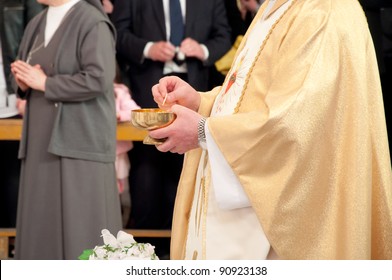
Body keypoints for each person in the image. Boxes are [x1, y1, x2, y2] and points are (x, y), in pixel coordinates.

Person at [150, 0, 392, 259]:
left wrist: (202, 131)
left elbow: (295, 124)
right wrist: (202, 102)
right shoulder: (275, 7)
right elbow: (253, 93)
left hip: (286, 227)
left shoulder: (325, 11)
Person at [110, 0, 231, 258]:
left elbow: (224, 36)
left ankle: (180, 256)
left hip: (197, 93)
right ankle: (144, 259)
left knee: (184, 184)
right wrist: (147, 48)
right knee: (145, 185)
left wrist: (203, 49)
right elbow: (118, 34)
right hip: (147, 94)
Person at [10, 0, 122, 259]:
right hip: (41, 139)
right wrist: (25, 81)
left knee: (82, 227)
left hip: (79, 141)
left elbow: (98, 78)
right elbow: (33, 75)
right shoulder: (36, 23)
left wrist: (46, 83)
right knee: (41, 220)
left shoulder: (92, 21)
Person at [0, 1, 44, 232]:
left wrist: (24, 87)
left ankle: (16, 239)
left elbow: (38, 38)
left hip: (12, 94)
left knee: (12, 172)